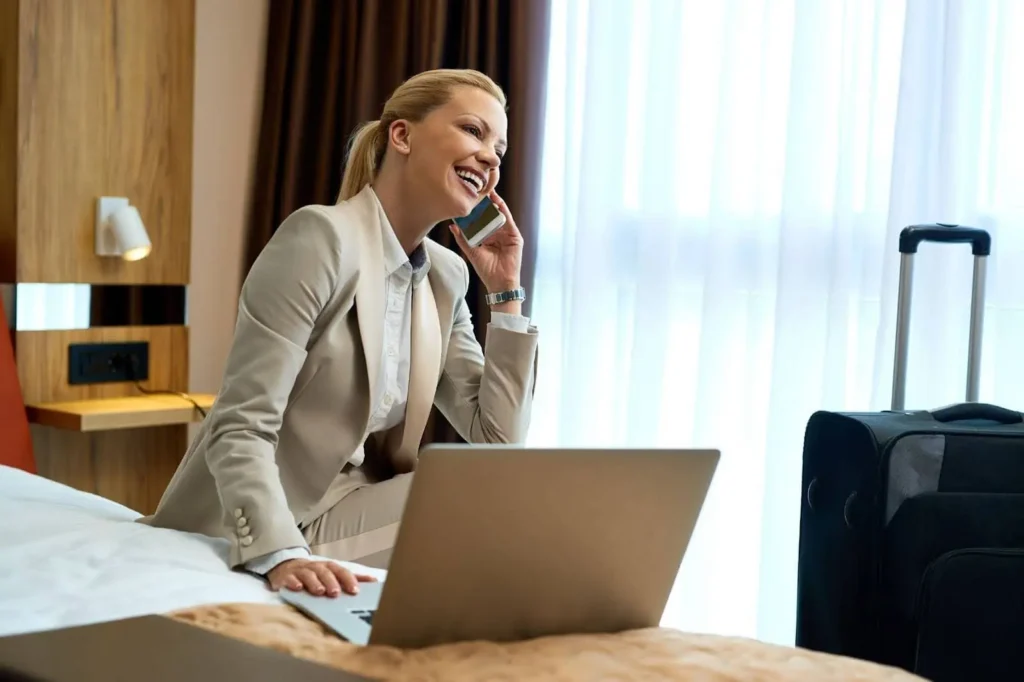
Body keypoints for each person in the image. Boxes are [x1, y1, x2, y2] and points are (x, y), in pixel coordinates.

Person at [140, 69, 539, 598]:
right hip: (265, 521)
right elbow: (239, 424)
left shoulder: (446, 276)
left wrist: (505, 290)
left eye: (500, 148)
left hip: (347, 514)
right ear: (401, 136)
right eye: (473, 131)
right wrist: (277, 553)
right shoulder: (320, 238)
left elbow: (498, 439)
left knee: (511, 492)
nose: (490, 157)